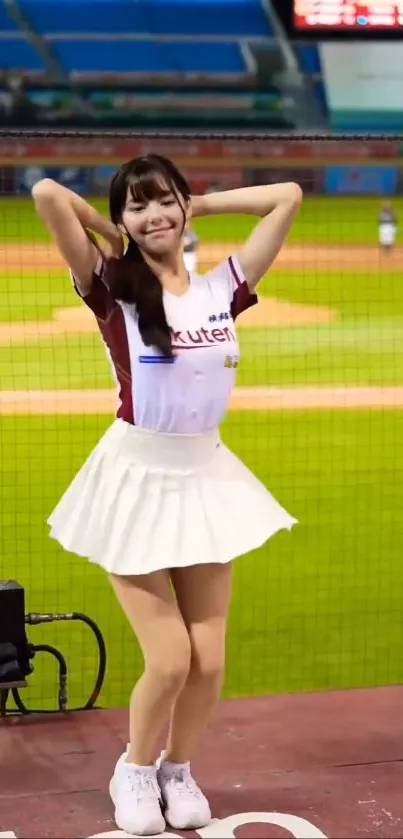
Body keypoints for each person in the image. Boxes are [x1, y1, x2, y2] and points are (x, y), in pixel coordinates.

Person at [32, 154, 302, 837]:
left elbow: (287, 197)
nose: (153, 215)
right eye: (137, 205)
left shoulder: (223, 288)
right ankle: (133, 765)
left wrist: (195, 206)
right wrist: (112, 229)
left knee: (209, 657)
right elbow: (45, 192)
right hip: (134, 480)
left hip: (205, 475)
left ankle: (176, 769)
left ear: (182, 206)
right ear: (123, 218)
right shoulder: (110, 288)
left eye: (164, 202)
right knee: (170, 656)